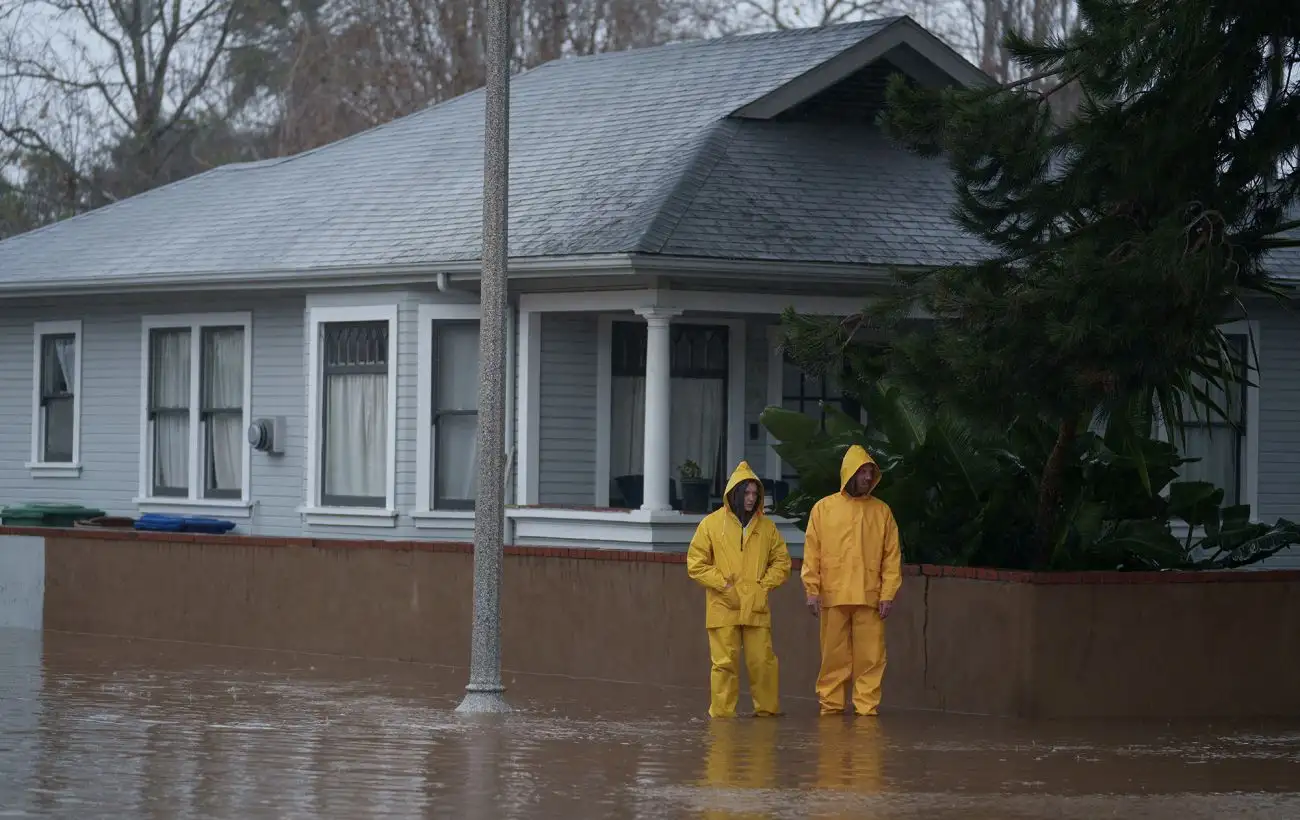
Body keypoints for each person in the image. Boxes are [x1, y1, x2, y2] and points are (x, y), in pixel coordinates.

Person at [801, 444, 902, 717]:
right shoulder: (823, 509)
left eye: (871, 472)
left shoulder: (882, 512)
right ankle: (831, 706)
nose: (868, 477)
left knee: (871, 658)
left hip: (870, 596)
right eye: (863, 471)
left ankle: (866, 709)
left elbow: (891, 558)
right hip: (833, 595)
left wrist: (888, 594)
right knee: (833, 657)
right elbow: (812, 553)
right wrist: (812, 590)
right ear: (850, 474)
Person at [686, 461, 792, 718]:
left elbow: (782, 562)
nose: (751, 498)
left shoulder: (768, 528)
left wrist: (763, 586)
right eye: (746, 493)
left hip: (755, 606)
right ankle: (722, 720)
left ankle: (767, 715)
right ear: (734, 493)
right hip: (723, 606)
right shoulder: (711, 525)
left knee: (763, 664)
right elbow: (695, 563)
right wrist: (723, 585)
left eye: (755, 494)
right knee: (723, 666)